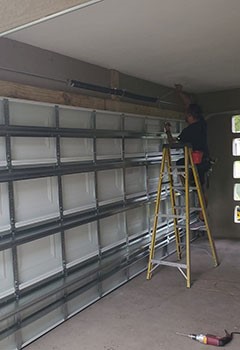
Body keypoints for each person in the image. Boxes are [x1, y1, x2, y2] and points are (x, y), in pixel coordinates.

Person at [165, 84, 210, 230]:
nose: (185, 115)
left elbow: (173, 143)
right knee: (202, 189)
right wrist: (179, 93)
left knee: (179, 164)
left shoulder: (189, 131)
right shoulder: (202, 123)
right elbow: (189, 103)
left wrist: (168, 131)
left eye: (186, 114)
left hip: (195, 162)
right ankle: (202, 217)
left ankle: (185, 186)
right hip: (204, 161)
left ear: (191, 116)